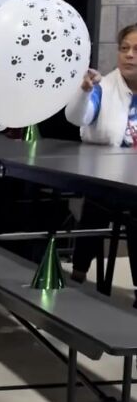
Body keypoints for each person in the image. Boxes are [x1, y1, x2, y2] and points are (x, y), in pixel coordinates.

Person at [65, 24, 137, 307]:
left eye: (136, 50)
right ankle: (79, 276)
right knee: (96, 207)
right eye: (124, 49)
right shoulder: (103, 87)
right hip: (104, 176)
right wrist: (84, 92)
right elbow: (77, 118)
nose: (129, 55)